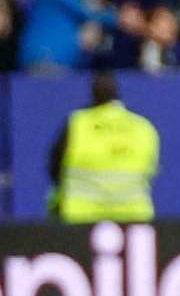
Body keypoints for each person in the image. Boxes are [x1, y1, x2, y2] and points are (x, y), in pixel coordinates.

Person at [47, 65, 157, 222]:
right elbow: (151, 169)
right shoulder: (143, 126)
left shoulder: (78, 123)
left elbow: (54, 167)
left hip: (82, 215)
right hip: (133, 214)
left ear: (92, 94)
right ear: (118, 94)